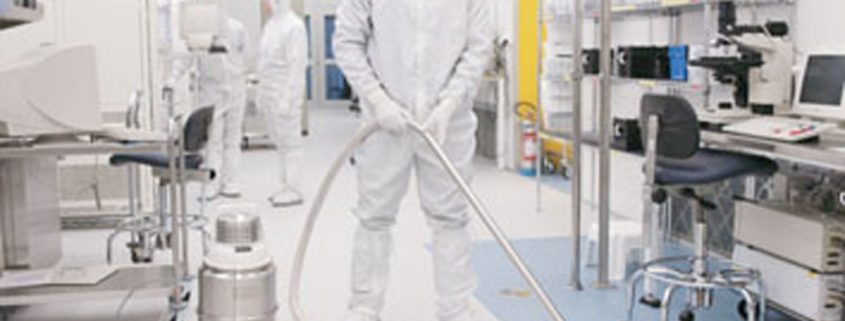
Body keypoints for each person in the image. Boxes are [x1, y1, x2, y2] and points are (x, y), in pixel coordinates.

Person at [333, 0, 493, 320]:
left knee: (450, 217)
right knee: (374, 215)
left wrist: (450, 101)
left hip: (448, 122)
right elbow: (347, 42)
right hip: (385, 122)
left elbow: (478, 47)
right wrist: (376, 98)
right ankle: (364, 307)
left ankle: (456, 309)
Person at [258, 0, 308, 207]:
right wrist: (261, 93)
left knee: (291, 143)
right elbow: (265, 62)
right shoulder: (271, 25)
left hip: (284, 94)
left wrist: (289, 98)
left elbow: (297, 67)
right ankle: (284, 184)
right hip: (270, 93)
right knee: (280, 144)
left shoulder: (294, 26)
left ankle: (294, 189)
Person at [196, 17, 250, 200]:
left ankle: (231, 183)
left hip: (235, 88)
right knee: (213, 140)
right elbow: (187, 55)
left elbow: (245, 55)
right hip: (211, 89)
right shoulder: (200, 29)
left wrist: (240, 74)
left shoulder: (237, 27)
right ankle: (211, 183)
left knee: (233, 139)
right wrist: (173, 77)